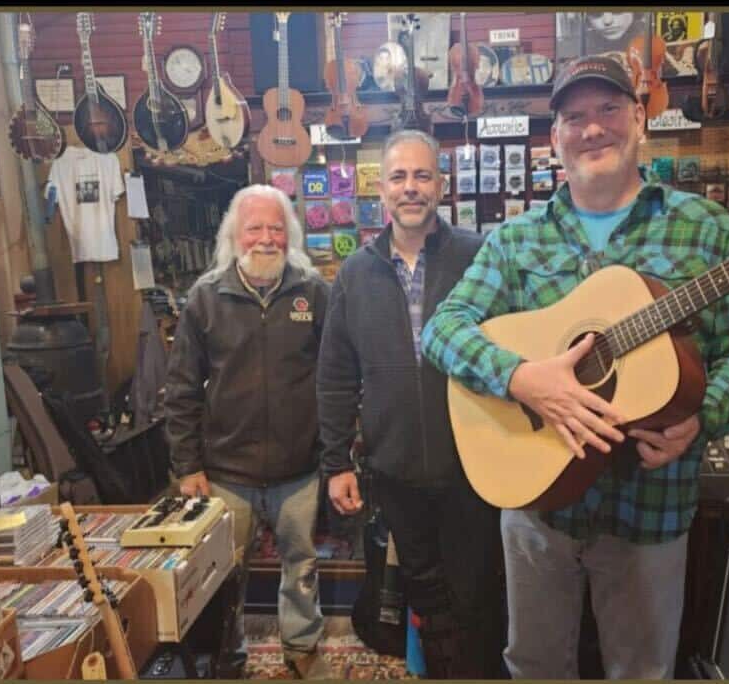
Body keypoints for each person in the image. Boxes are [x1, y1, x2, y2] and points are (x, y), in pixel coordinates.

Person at [422, 55, 729, 680]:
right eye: (574, 117)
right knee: (533, 665)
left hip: (649, 508)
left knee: (641, 671)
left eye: (609, 110)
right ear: (555, 136)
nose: (593, 130)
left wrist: (703, 414)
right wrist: (521, 378)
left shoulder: (708, 231)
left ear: (640, 118)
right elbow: (441, 331)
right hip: (538, 503)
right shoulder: (516, 240)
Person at [317, 129, 505, 679]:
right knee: (425, 593)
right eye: (398, 176)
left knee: (478, 592)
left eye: (422, 175)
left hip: (473, 464)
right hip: (394, 469)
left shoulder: (478, 254)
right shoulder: (354, 273)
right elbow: (334, 378)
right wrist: (336, 465)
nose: (410, 188)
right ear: (382, 191)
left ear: (441, 187)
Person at [165, 184, 335, 679]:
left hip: (298, 470)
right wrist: (187, 466)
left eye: (276, 228)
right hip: (225, 474)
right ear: (234, 237)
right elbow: (180, 391)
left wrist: (335, 454)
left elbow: (335, 377)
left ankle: (301, 651)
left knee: (301, 571)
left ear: (291, 235)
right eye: (255, 228)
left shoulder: (314, 292)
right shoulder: (204, 298)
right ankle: (226, 658)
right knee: (221, 580)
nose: (266, 239)